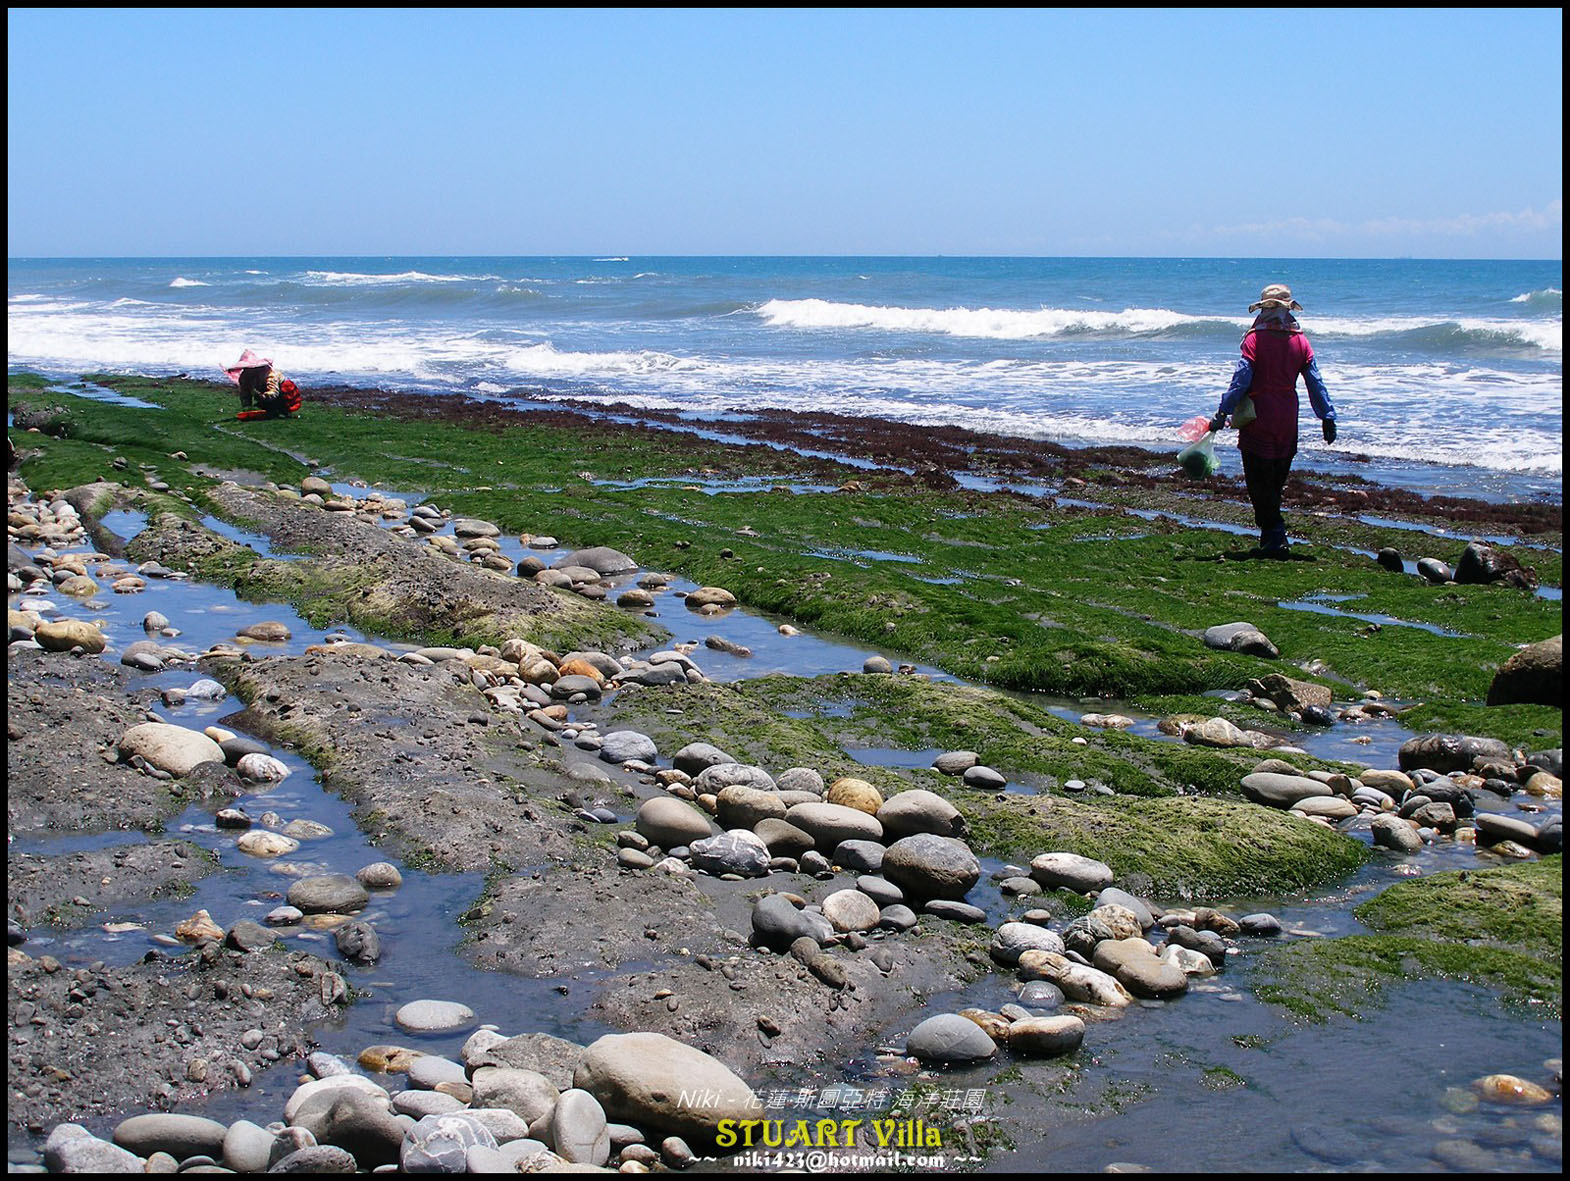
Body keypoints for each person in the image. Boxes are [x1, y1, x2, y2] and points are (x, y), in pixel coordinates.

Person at [1208, 284, 1337, 558]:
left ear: (1264, 309)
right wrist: (1327, 416)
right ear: (1288, 309)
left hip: (1259, 416)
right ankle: (1272, 537)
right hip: (1288, 416)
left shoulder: (1255, 339)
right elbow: (1315, 381)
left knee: (1259, 483)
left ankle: (1275, 534)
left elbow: (1241, 380)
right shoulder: (1301, 342)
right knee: (1276, 483)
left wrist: (1223, 411)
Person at [223, 349, 301, 420]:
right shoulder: (245, 376)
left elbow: (274, 392)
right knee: (261, 408)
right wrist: (247, 407)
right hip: (264, 394)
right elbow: (244, 392)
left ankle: (282, 410)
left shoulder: (271, 374)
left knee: (277, 407)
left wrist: (262, 396)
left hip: (284, 394)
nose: (249, 371)